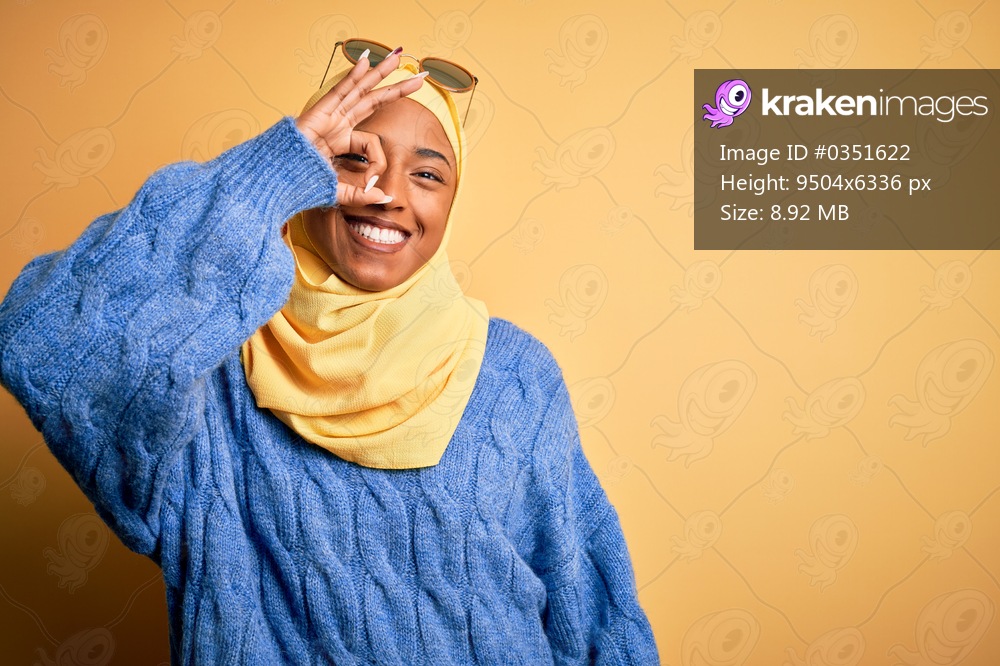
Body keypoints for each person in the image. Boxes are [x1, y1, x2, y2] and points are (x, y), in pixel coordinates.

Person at [0, 39, 659, 665]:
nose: (387, 192)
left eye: (427, 173)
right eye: (351, 159)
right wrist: (274, 169)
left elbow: (593, 613)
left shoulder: (515, 374)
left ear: (452, 203)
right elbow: (41, 338)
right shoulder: (206, 372)